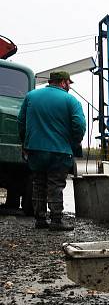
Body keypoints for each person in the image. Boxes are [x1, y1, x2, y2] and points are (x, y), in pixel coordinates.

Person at [17, 71, 86, 230]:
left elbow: (21, 122)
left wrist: (25, 143)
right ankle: (56, 220)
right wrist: (74, 143)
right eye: (69, 82)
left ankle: (40, 219)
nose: (69, 86)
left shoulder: (31, 96)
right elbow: (80, 125)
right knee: (56, 184)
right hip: (60, 151)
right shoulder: (71, 101)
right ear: (63, 82)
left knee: (39, 183)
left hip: (35, 149)